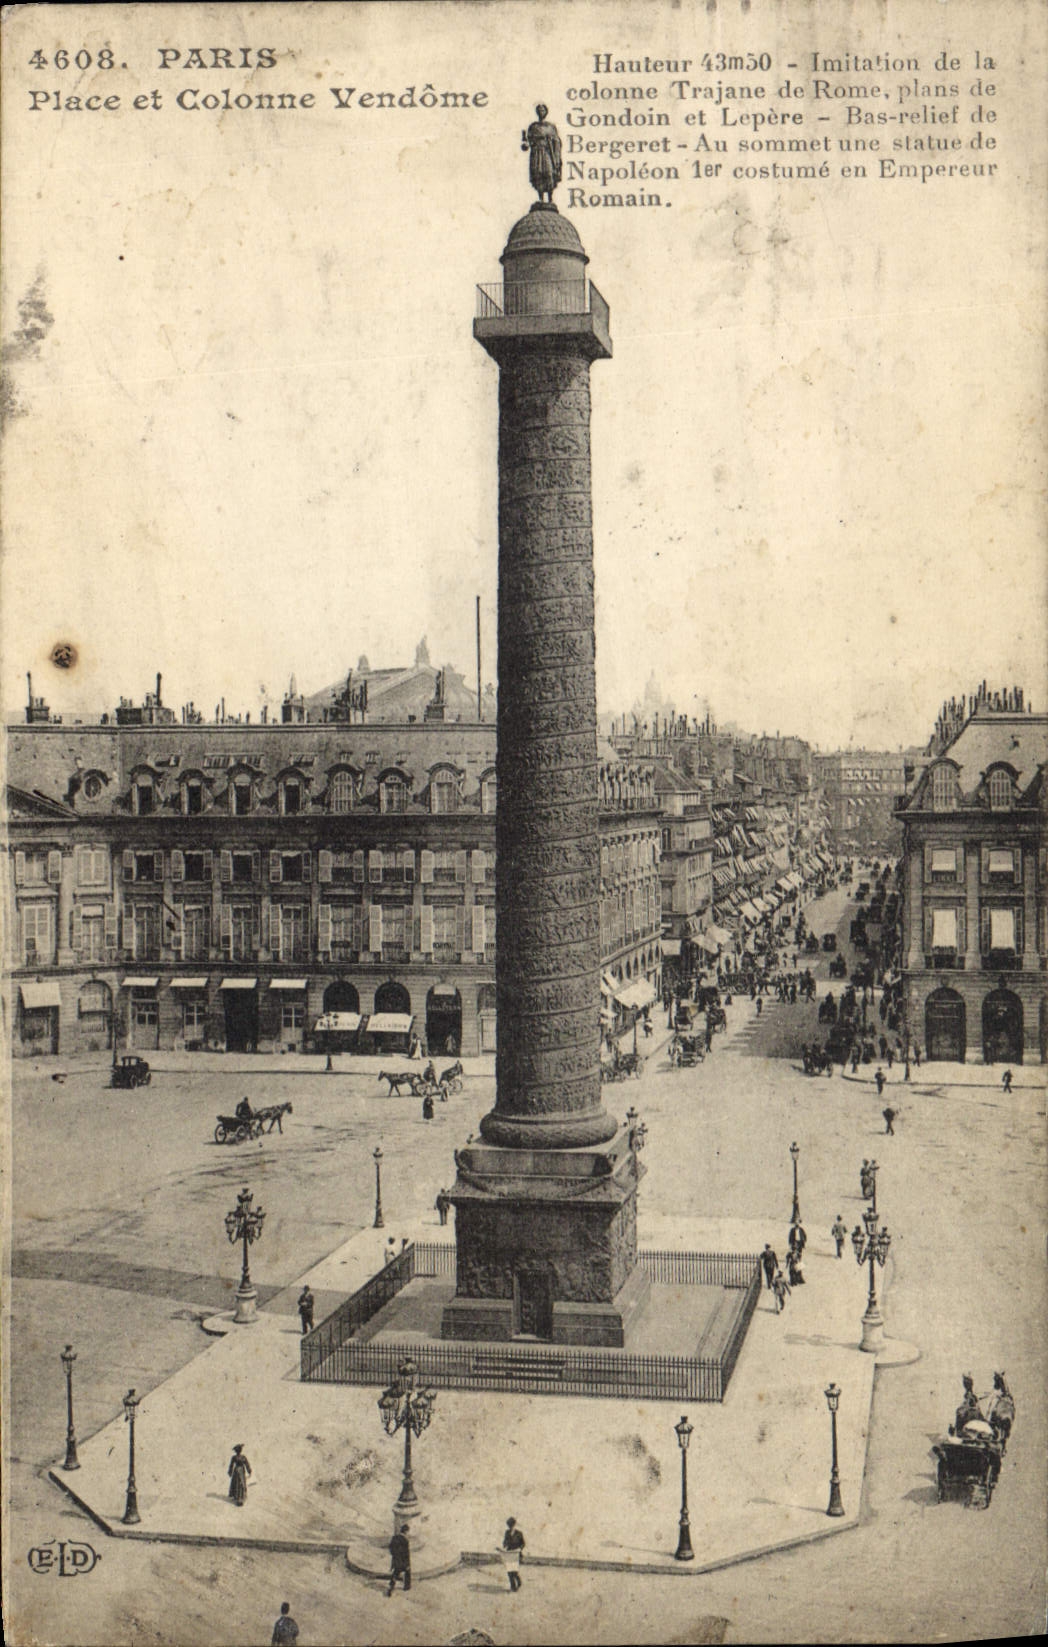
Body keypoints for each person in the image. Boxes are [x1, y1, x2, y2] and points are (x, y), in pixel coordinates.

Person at [522, 104, 562, 201]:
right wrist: (526, 144)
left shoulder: (550, 127)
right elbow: (528, 142)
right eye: (539, 110)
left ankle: (550, 197)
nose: (541, 112)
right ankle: (541, 198)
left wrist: (552, 141)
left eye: (543, 110)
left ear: (546, 112)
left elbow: (557, 141)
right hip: (536, 152)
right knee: (538, 173)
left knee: (548, 173)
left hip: (547, 152)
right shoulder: (533, 127)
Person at [501, 1516, 526, 1591]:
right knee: (509, 1571)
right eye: (509, 1525)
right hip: (509, 1554)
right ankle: (513, 1587)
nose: (510, 1527)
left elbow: (523, 1544)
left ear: (514, 1525)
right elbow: (504, 1542)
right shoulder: (507, 1532)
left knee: (514, 1571)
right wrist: (504, 1545)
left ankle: (518, 1581)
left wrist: (519, 1548)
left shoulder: (519, 1533)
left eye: (511, 1525)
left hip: (516, 1554)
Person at [387, 1524, 411, 1595]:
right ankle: (407, 1586)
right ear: (406, 1531)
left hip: (396, 1560)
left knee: (395, 1573)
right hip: (403, 1561)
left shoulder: (394, 1537)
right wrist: (407, 1564)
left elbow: (390, 1547)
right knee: (407, 1572)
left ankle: (391, 1586)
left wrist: (394, 1555)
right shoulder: (405, 1540)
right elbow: (406, 1554)